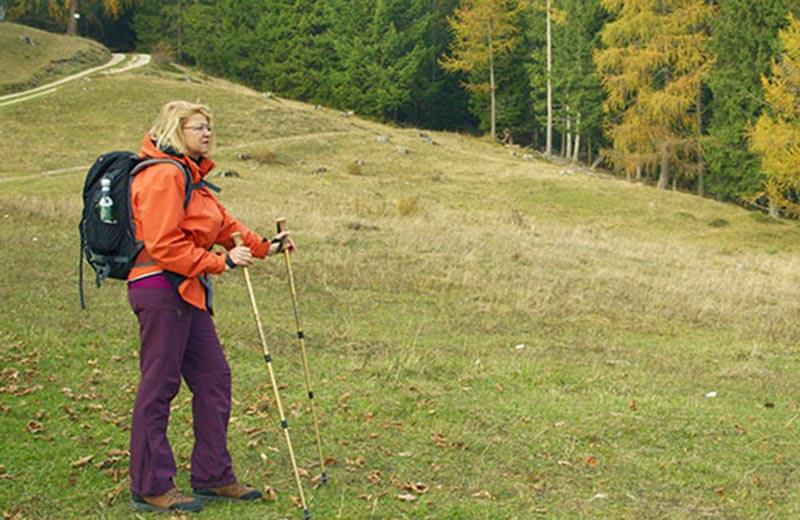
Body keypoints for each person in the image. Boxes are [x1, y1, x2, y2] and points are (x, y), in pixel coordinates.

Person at [126, 100, 295, 514]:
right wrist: (219, 262)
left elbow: (224, 226)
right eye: (197, 127)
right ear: (174, 131)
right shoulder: (163, 175)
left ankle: (212, 475)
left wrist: (265, 247)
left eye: (208, 128)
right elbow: (164, 245)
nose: (206, 134)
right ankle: (150, 486)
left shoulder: (192, 177)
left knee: (215, 378)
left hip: (188, 291)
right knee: (159, 385)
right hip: (161, 288)